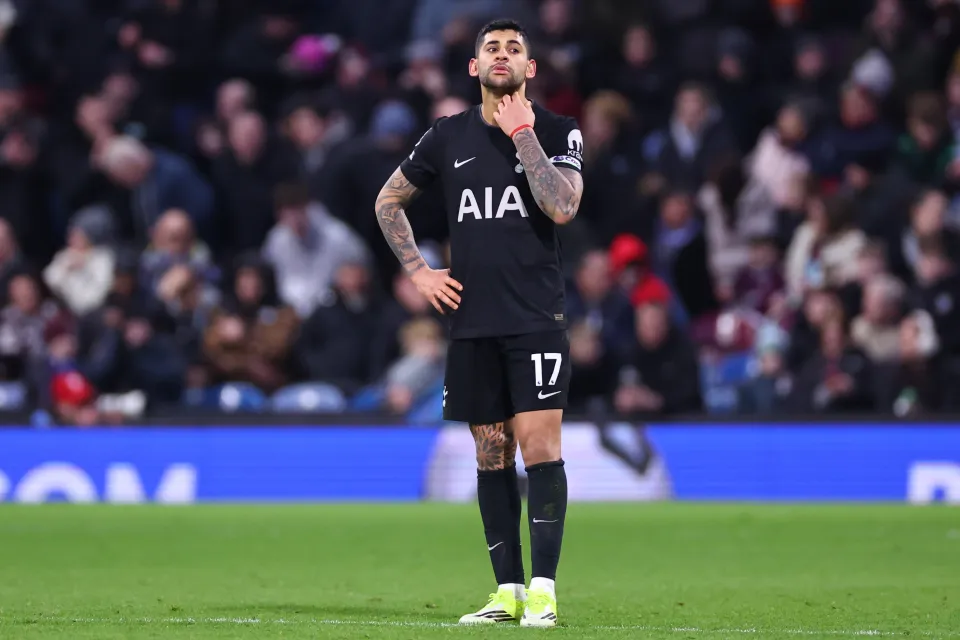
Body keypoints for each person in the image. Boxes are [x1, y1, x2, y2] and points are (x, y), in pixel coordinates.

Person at [374, 18, 583, 628]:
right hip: (472, 320)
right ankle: (507, 591)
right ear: (474, 66)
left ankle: (543, 591)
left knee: (539, 446)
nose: (502, 55)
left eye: (515, 48)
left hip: (535, 317)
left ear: (530, 68)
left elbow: (563, 206)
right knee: (491, 454)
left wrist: (524, 135)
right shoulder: (447, 135)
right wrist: (418, 271)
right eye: (492, 47)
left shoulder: (559, 131)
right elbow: (388, 201)